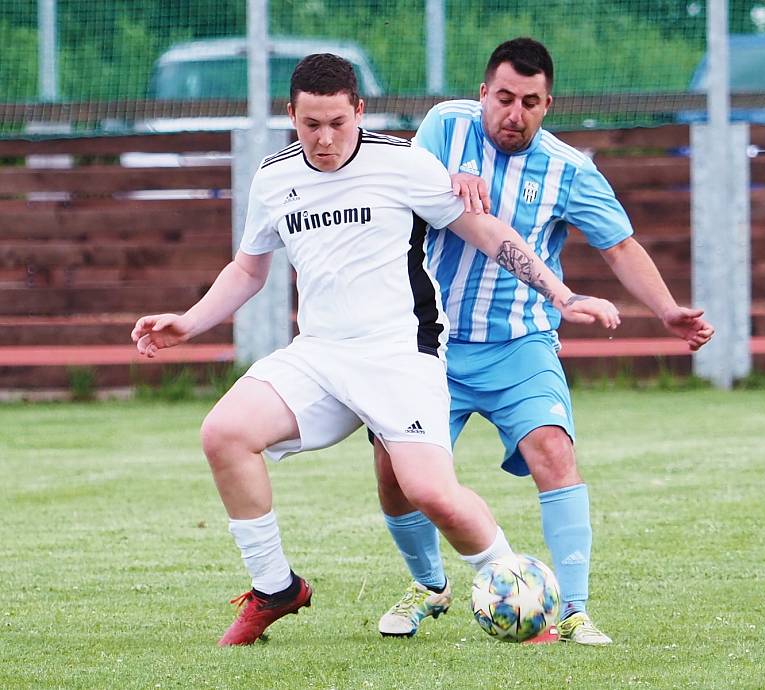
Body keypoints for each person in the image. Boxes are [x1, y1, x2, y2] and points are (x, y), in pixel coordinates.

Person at [130, 52, 621, 647]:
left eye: (338, 122)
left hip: (400, 355)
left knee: (430, 491)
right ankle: (275, 588)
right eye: (311, 124)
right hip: (319, 354)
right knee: (223, 433)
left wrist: (562, 295)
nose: (325, 137)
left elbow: (487, 231)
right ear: (291, 115)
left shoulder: (403, 164)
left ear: (359, 111)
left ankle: (520, 594)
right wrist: (189, 321)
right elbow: (248, 268)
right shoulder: (274, 177)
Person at [374, 37, 715, 645]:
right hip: (431, 344)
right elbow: (403, 186)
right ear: (483, 93)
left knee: (554, 450)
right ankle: (429, 585)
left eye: (530, 102)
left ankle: (574, 608)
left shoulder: (569, 169)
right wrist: (444, 179)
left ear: (547, 104)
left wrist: (665, 310)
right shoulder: (443, 126)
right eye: (504, 98)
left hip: (519, 344)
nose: (515, 113)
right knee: (395, 476)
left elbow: (618, 244)